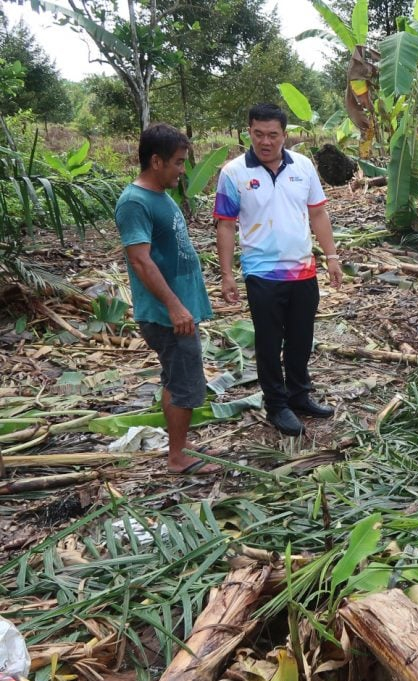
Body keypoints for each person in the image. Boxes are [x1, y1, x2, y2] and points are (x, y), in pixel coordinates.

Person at [215, 103, 343, 436]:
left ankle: (299, 395)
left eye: (273, 135)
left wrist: (331, 257)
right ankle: (277, 404)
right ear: (249, 132)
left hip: (303, 269)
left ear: (285, 135)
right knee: (270, 342)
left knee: (301, 338)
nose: (265, 141)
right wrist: (227, 274)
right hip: (261, 273)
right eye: (258, 134)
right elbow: (226, 225)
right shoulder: (233, 173)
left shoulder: (303, 166)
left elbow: (317, 214)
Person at [115, 123, 219, 474]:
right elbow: (140, 260)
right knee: (186, 383)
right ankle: (177, 458)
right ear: (156, 161)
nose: (181, 170)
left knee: (174, 378)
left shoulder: (158, 196)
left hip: (177, 310)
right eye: (177, 162)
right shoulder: (134, 202)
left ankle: (180, 445)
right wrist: (174, 306)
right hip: (166, 314)